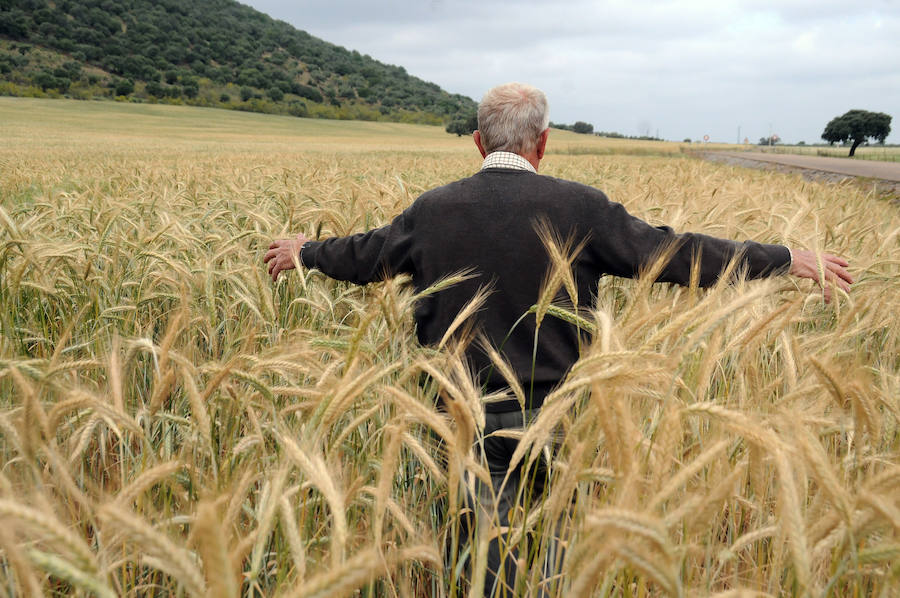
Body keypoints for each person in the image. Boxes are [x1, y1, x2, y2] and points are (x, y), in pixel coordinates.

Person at [263, 82, 853, 595]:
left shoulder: (433, 210)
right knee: (547, 554)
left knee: (470, 559)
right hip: (553, 421)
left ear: (478, 143)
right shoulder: (580, 206)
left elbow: (363, 255)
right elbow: (674, 254)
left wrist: (305, 252)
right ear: (542, 143)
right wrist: (784, 259)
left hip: (456, 419)